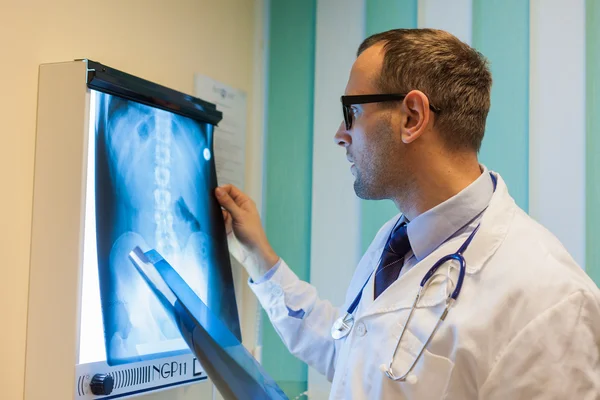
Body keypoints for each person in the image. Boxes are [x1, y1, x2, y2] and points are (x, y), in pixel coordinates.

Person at [214, 29, 600, 399]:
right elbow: (353, 360)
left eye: (353, 112)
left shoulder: (550, 302)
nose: (339, 134)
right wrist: (258, 259)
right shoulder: (397, 240)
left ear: (412, 117)